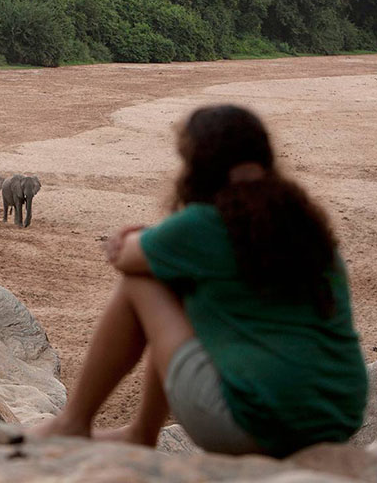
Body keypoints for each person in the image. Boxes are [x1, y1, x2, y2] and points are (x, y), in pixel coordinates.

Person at [33, 104, 367, 457]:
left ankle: (79, 422)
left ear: (197, 165)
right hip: (338, 419)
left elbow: (126, 257)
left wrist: (141, 237)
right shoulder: (306, 226)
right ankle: (138, 433)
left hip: (251, 425)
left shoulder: (205, 223)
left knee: (144, 280)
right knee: (177, 274)